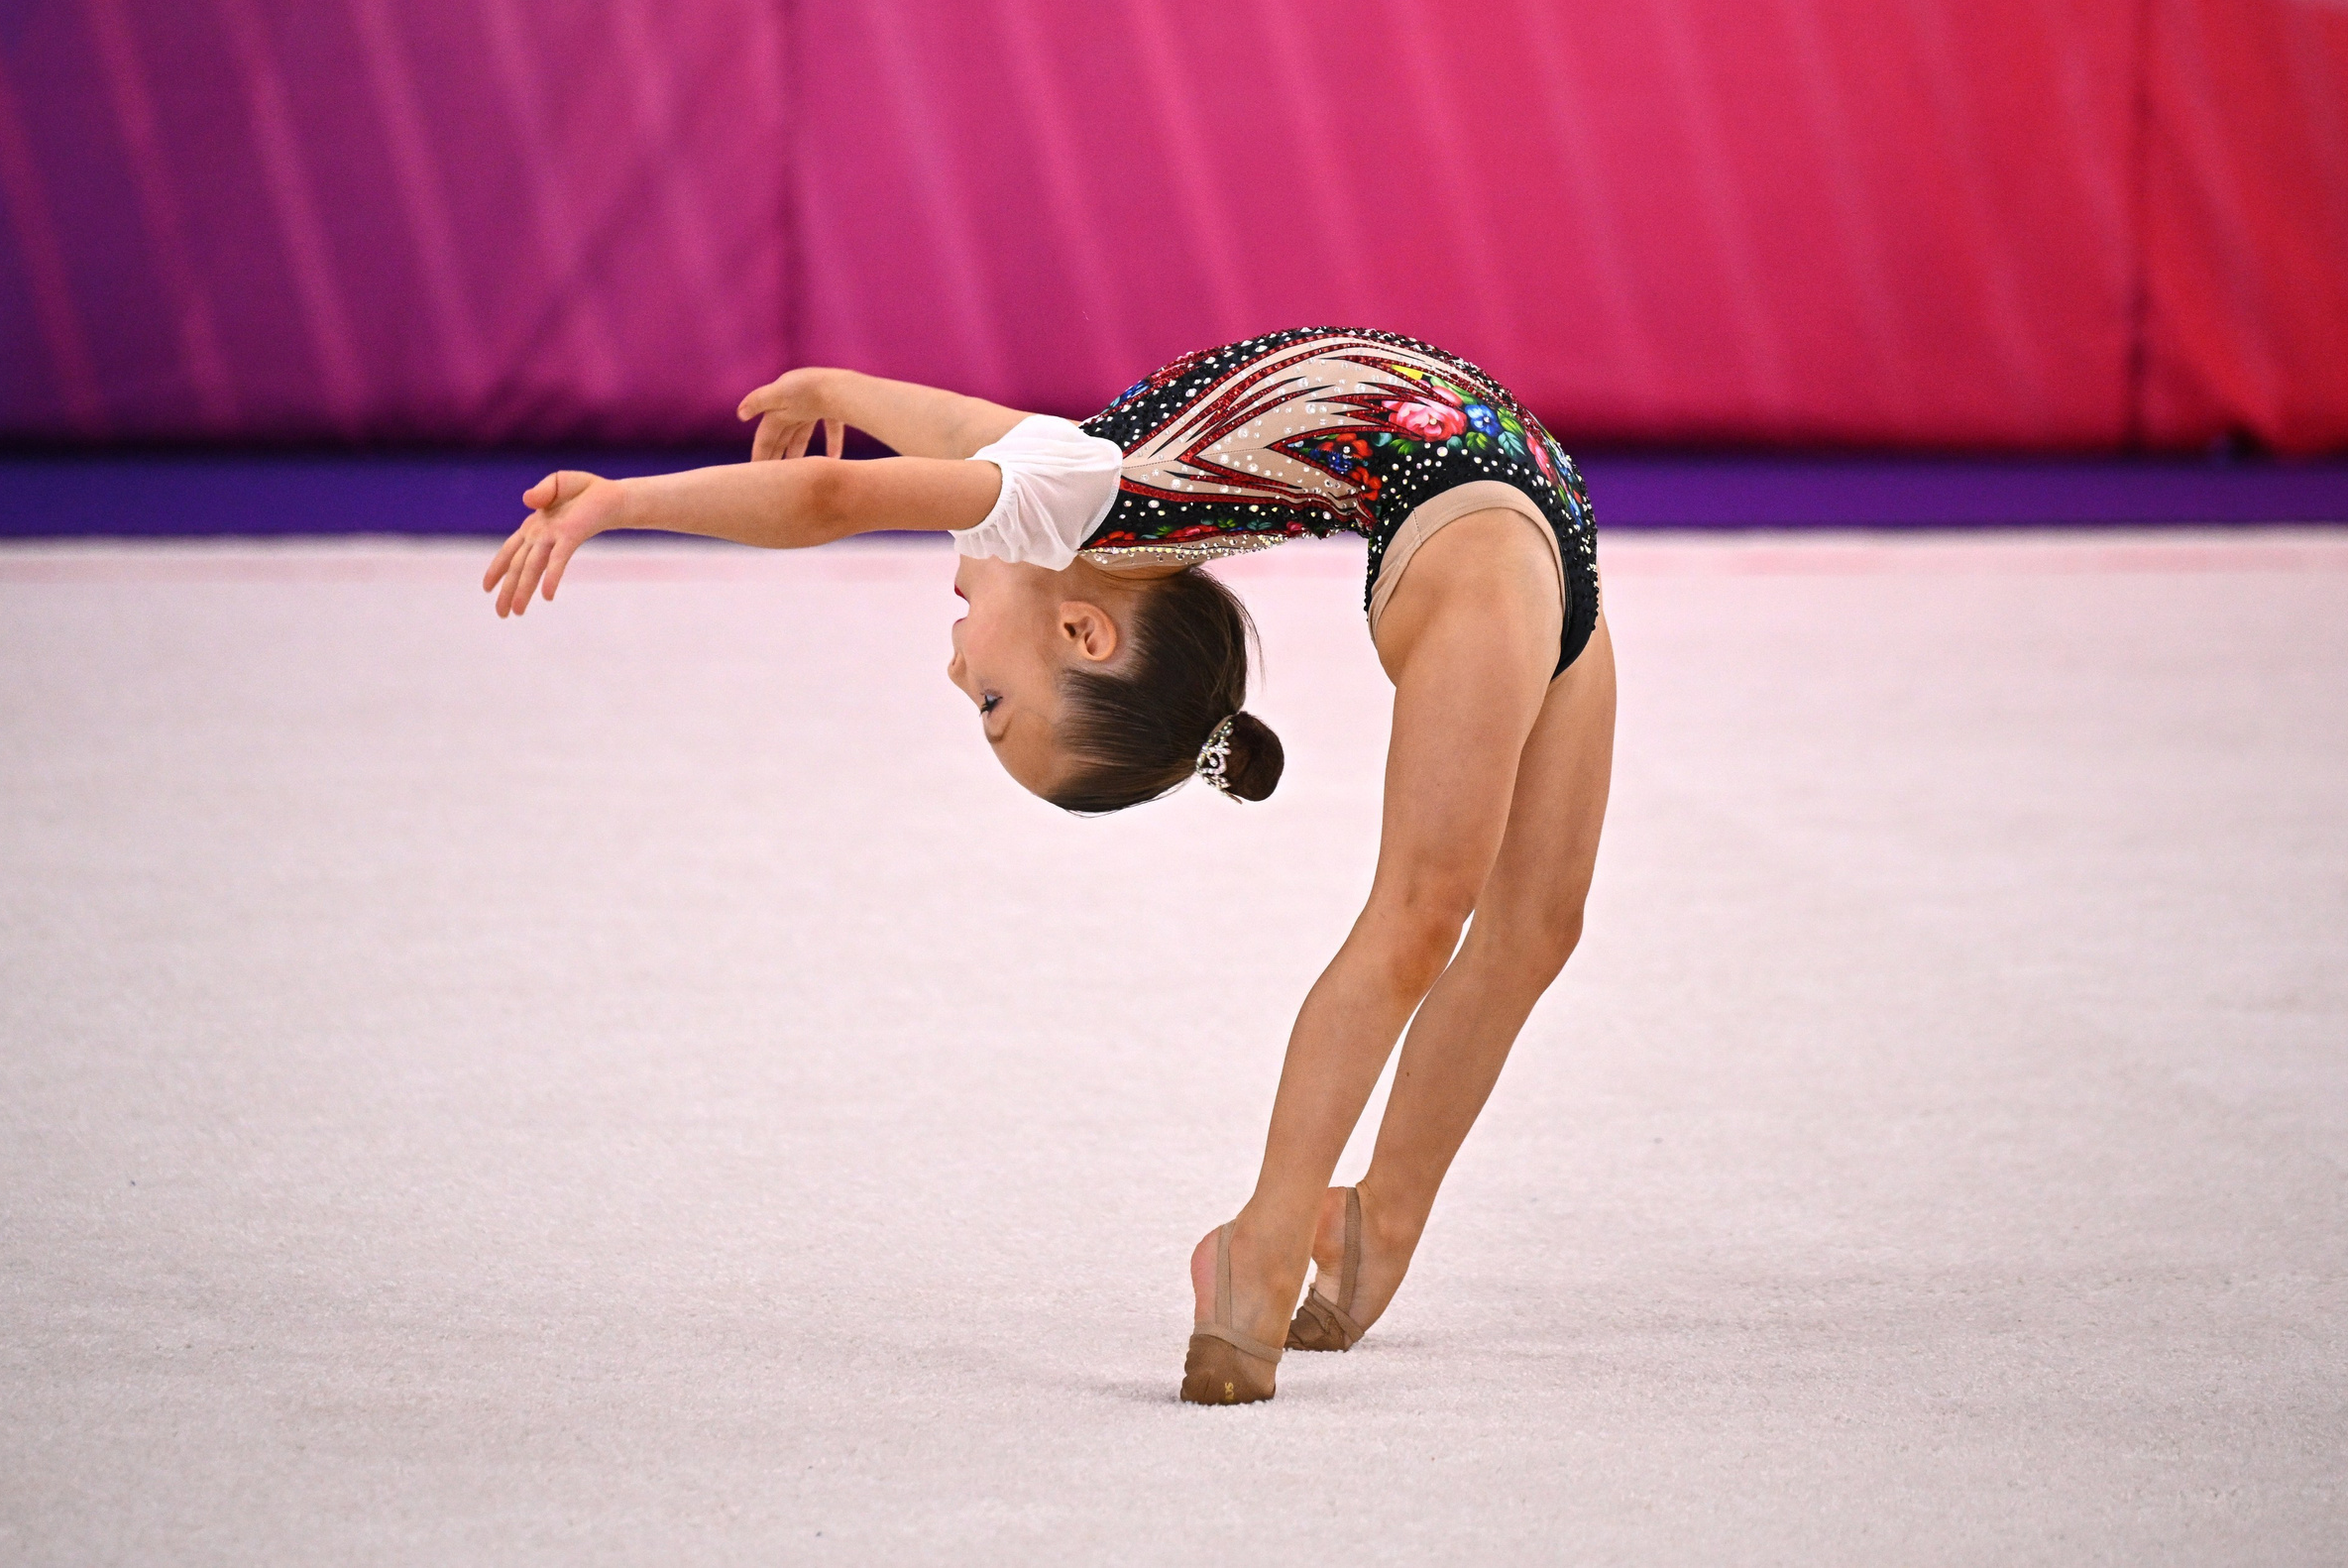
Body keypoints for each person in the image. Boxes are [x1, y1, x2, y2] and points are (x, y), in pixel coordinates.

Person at [483, 327, 1618, 1405]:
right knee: (1466, 914)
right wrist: (798, 412)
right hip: (1502, 512)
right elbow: (911, 458)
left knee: (1520, 926)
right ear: (1082, 633)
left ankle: (1305, 1231)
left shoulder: (1070, 487)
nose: (955, 671)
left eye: (989, 704)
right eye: (987, 696)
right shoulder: (1073, 491)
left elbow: (866, 478)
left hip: (1500, 509)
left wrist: (653, 487)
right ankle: (1329, 1230)